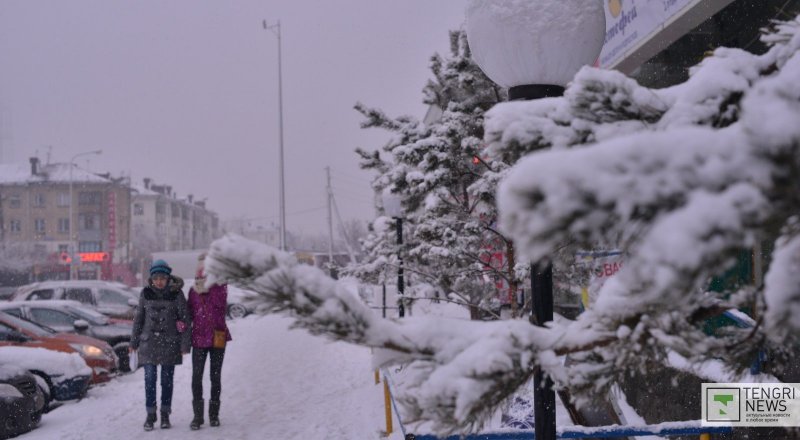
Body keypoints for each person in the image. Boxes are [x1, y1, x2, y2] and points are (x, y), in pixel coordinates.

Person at [130, 259, 191, 431]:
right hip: (148, 343)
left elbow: (185, 320)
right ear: (151, 278)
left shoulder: (177, 294)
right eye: (155, 278)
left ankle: (165, 414)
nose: (159, 281)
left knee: (167, 381)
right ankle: (150, 415)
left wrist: (185, 345)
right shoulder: (145, 293)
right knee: (149, 379)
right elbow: (139, 319)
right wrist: (133, 342)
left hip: (170, 343)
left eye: (162, 278)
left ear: (167, 278)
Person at [187, 255, 231, 430]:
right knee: (196, 377)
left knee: (215, 377)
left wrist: (209, 288)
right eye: (200, 274)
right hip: (198, 339)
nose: (202, 278)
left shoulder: (220, 288)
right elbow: (189, 313)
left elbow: (220, 306)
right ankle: (197, 417)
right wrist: (181, 322)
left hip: (218, 337)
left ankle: (214, 415)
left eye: (206, 274)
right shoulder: (192, 291)